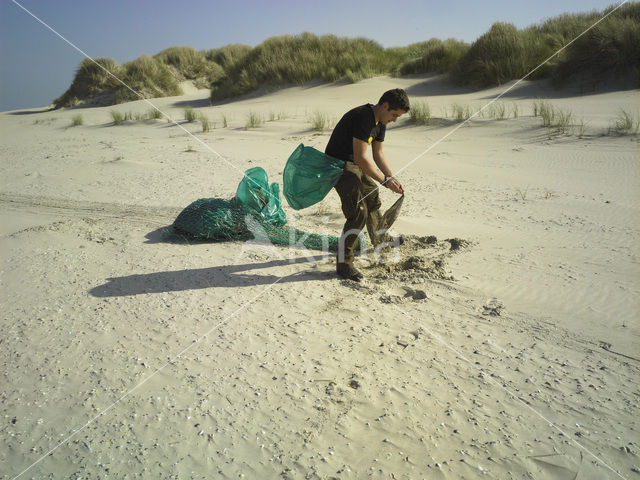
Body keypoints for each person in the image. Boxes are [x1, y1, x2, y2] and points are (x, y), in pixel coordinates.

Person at [325, 88, 409, 281]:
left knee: (373, 198)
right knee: (358, 211)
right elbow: (361, 158)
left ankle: (380, 239)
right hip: (337, 165)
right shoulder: (364, 117)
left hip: (354, 165)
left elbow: (377, 154)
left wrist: (391, 176)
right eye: (394, 115)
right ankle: (344, 264)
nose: (395, 120)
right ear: (385, 106)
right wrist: (386, 181)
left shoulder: (381, 122)